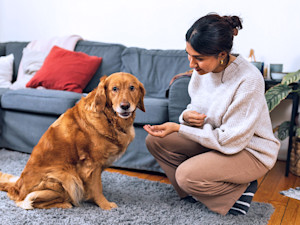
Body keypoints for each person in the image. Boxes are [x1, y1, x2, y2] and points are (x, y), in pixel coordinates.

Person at [144, 13, 280, 216]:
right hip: (216, 141)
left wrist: (179, 127)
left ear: (222, 55)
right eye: (188, 55)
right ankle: (196, 193)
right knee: (155, 141)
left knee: (186, 175)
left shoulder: (249, 80)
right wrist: (186, 117)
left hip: (248, 151)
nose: (191, 63)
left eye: (199, 58)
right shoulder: (203, 72)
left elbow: (230, 140)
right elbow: (196, 107)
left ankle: (239, 190)